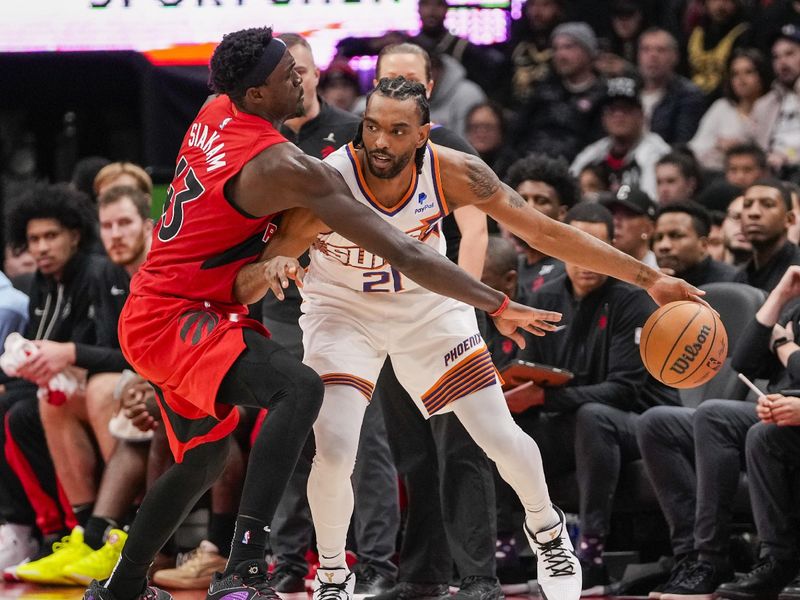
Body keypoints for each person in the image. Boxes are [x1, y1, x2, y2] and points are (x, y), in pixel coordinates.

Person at [81, 27, 550, 600]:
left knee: (203, 461)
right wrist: (495, 302)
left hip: (165, 306)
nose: (303, 77)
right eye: (288, 75)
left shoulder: (214, 107)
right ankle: (248, 567)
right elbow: (402, 250)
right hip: (181, 314)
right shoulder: (287, 166)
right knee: (300, 391)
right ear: (255, 95)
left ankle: (121, 587)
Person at [238, 75, 704, 600]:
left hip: (427, 309)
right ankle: (330, 576)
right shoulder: (329, 181)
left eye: (397, 130)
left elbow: (544, 231)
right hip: (343, 312)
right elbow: (255, 268)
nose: (381, 142)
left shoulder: (454, 172)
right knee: (336, 448)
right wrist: (272, 268)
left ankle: (548, 530)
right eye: (371, 127)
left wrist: (650, 277)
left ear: (424, 134)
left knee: (497, 435)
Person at [256, 33, 399, 598]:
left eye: (307, 71)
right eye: (291, 73)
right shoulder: (258, 140)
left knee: (366, 438)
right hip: (283, 307)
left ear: (317, 75)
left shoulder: (352, 133)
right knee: (291, 432)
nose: (301, 81)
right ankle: (288, 561)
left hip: (353, 304)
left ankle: (380, 565)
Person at [358, 43, 499, 600]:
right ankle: (421, 574)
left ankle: (478, 577)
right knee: (411, 450)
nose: (398, 87)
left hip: (446, 317)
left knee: (462, 448)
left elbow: (479, 231)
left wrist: (463, 307)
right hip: (391, 319)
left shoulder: (451, 149)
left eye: (409, 80)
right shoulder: (360, 154)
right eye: (388, 79)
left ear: (429, 89)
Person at [506, 202, 680, 595]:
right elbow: (537, 370)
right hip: (573, 421)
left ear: (610, 250)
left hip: (640, 423)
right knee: (502, 427)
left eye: (594, 248)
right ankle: (506, 552)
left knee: (594, 416)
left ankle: (592, 556)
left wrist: (544, 399)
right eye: (575, 248)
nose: (585, 261)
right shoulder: (545, 297)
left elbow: (623, 391)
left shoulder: (632, 299)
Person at [8, 185, 153, 586]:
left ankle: (123, 531)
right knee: (51, 401)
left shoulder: (108, 270)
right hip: (126, 381)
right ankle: (84, 532)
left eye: (50, 236)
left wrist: (70, 354)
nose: (40, 247)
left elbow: (119, 353)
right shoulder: (50, 280)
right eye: (108, 225)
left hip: (156, 382)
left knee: (102, 387)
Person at [638, 264, 800, 600]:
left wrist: (785, 347)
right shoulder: (795, 307)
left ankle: (720, 558)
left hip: (790, 416)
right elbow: (744, 361)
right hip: (776, 410)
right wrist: (780, 295)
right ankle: (691, 556)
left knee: (720, 417)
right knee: (657, 423)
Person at [0, 184, 104, 576]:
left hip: (93, 383)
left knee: (22, 412)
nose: (40, 247)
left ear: (74, 235)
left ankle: (58, 531)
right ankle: (34, 530)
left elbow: (97, 350)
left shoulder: (94, 274)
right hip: (55, 384)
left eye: (50, 236)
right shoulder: (42, 284)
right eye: (33, 239)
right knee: (15, 405)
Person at [514, 21, 606, 162]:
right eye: (556, 48)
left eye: (568, 47)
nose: (560, 55)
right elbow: (517, 135)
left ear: (588, 51)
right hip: (533, 167)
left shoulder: (603, 96)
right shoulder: (542, 92)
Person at [570, 76, 670, 199]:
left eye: (626, 109)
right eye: (612, 109)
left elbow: (652, 200)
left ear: (642, 115)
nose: (618, 115)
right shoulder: (592, 155)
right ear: (603, 117)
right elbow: (569, 188)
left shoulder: (657, 153)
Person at [502, 153, 580, 301]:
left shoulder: (572, 270)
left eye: (541, 200)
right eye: (522, 199)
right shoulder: (510, 265)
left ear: (562, 212)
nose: (528, 208)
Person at [689, 48, 771, 171]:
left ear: (762, 74)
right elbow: (696, 148)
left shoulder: (773, 107)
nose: (741, 80)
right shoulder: (721, 107)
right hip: (714, 173)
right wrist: (717, 145)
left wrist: (738, 148)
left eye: (748, 72)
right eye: (735, 74)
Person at [637, 28, 705, 145]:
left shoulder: (688, 95)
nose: (653, 56)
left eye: (661, 50)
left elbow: (681, 143)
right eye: (646, 50)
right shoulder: (628, 91)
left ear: (675, 56)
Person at [735, 179, 800, 292]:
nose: (754, 212)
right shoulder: (738, 276)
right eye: (747, 205)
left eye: (768, 204)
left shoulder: (797, 271)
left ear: (789, 219)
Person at [752, 25, 800, 176]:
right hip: (770, 171)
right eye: (776, 57)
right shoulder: (764, 104)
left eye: (789, 54)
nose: (783, 62)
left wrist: (790, 159)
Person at [652, 202, 739, 286]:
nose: (663, 245)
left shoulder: (731, 282)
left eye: (676, 236)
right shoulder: (645, 289)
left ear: (703, 245)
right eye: (658, 238)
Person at [686, 0, 749, 97]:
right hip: (691, 97)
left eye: (726, 1)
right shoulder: (696, 33)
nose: (720, 5)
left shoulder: (745, 34)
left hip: (727, 98)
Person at [600, 185, 659, 268]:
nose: (616, 222)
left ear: (648, 229)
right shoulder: (602, 272)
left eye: (628, 214)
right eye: (612, 213)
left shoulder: (662, 272)